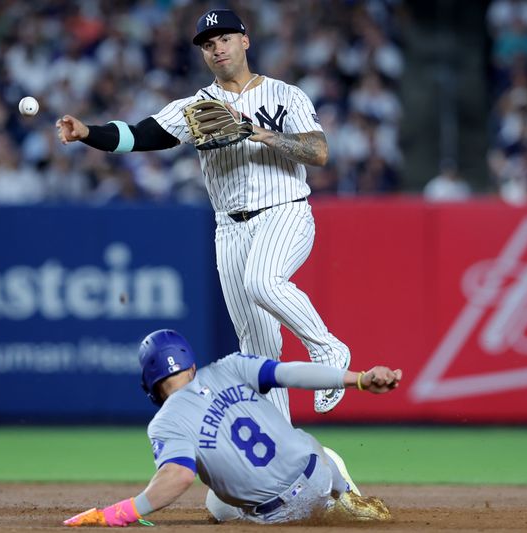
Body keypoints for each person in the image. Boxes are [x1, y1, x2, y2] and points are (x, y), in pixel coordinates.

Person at [56, 9, 352, 419]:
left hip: (284, 210)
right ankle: (284, 456)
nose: (217, 49)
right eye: (208, 45)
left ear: (244, 41)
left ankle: (327, 348)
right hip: (229, 228)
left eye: (225, 39)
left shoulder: (287, 95)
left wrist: (258, 132)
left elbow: (318, 153)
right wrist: (88, 132)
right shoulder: (197, 107)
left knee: (263, 281)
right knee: (258, 350)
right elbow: (139, 135)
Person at [63, 329, 402, 526]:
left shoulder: (166, 422)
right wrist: (357, 379)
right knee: (324, 452)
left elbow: (179, 477)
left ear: (150, 382)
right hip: (319, 475)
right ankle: (347, 498)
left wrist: (117, 514)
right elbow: (293, 373)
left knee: (215, 502)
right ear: (191, 365)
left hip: (276, 516)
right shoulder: (231, 366)